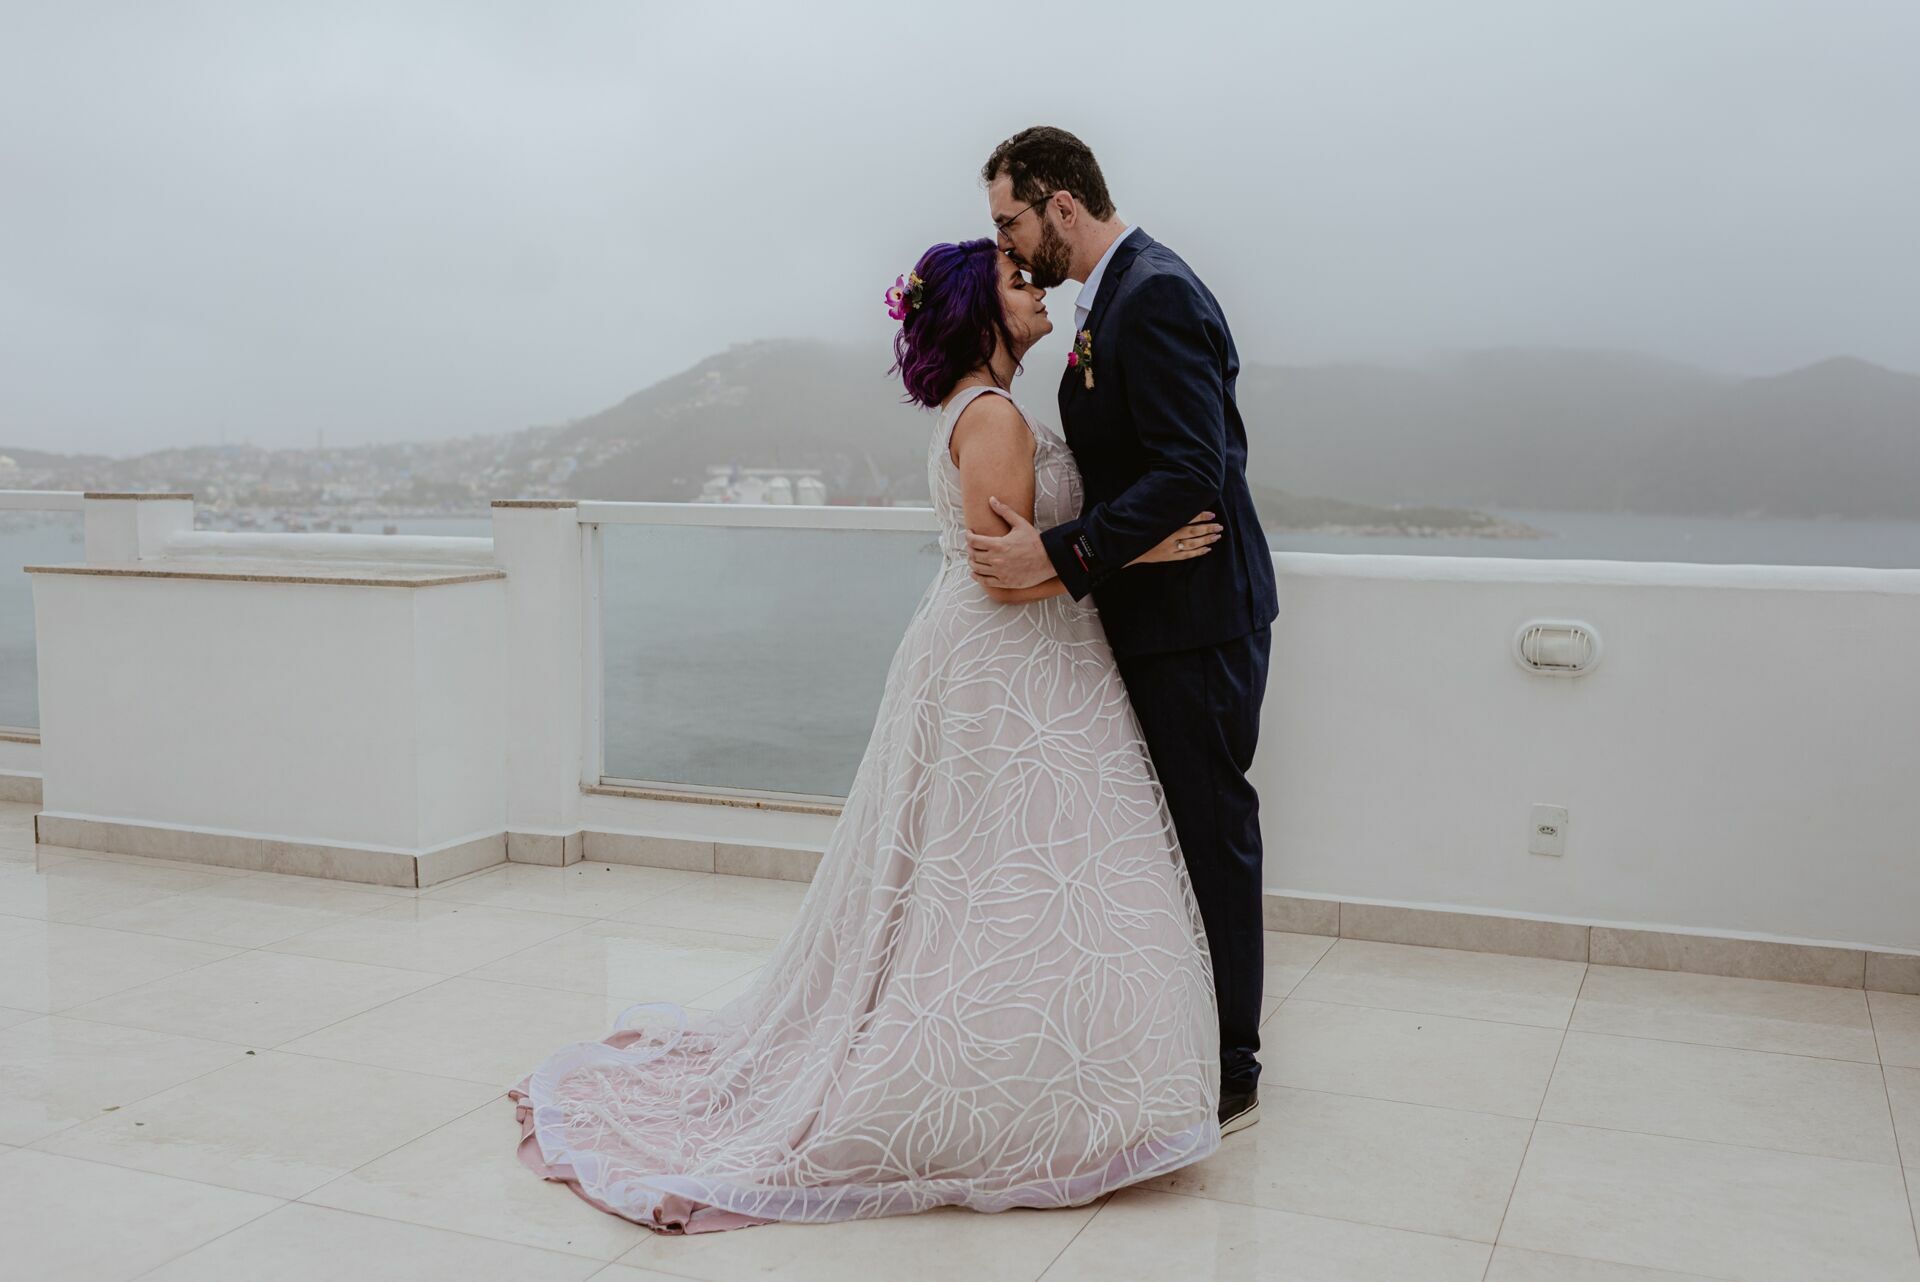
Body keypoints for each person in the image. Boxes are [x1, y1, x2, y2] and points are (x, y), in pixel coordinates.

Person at [509, 236, 1224, 1234]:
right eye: (1020, 282)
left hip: (1003, 655)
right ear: (983, 312)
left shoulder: (981, 412)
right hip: (1009, 660)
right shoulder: (997, 419)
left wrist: (1123, 535)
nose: (1040, 291)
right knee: (998, 872)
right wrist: (1143, 549)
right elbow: (1009, 571)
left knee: (986, 873)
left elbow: (1033, 550)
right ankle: (1019, 1083)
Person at [968, 126, 1280, 1137]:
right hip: (1152, 616)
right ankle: (1180, 1032)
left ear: (1063, 202)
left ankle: (1232, 1062)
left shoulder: (1156, 293)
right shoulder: (1116, 298)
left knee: (1210, 834)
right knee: (1166, 843)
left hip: (1198, 624)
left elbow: (1196, 471)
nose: (1009, 249)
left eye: (1011, 221)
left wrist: (1061, 557)